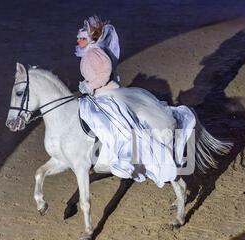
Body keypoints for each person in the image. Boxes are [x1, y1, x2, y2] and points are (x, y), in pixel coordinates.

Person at [75, 15, 196, 188]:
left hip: (107, 93)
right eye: (78, 38)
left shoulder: (95, 52)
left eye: (81, 38)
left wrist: (90, 85)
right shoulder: (87, 53)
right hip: (97, 94)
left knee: (116, 123)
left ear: (88, 39)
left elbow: (105, 72)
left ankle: (123, 154)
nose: (78, 40)